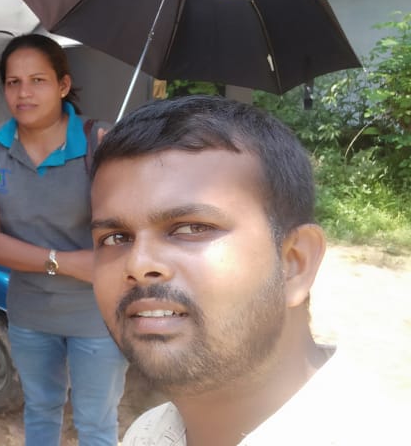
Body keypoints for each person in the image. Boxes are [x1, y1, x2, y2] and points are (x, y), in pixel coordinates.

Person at [89, 96, 399, 445]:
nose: (138, 264)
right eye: (116, 237)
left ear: (295, 263)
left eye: (192, 228)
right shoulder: (148, 434)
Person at [0, 34, 128, 446]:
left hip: (97, 313)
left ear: (62, 85)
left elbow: (128, 231)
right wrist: (64, 261)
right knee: (40, 410)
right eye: (13, 82)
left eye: (37, 80)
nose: (23, 93)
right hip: (29, 312)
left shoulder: (100, 144)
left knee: (95, 424)